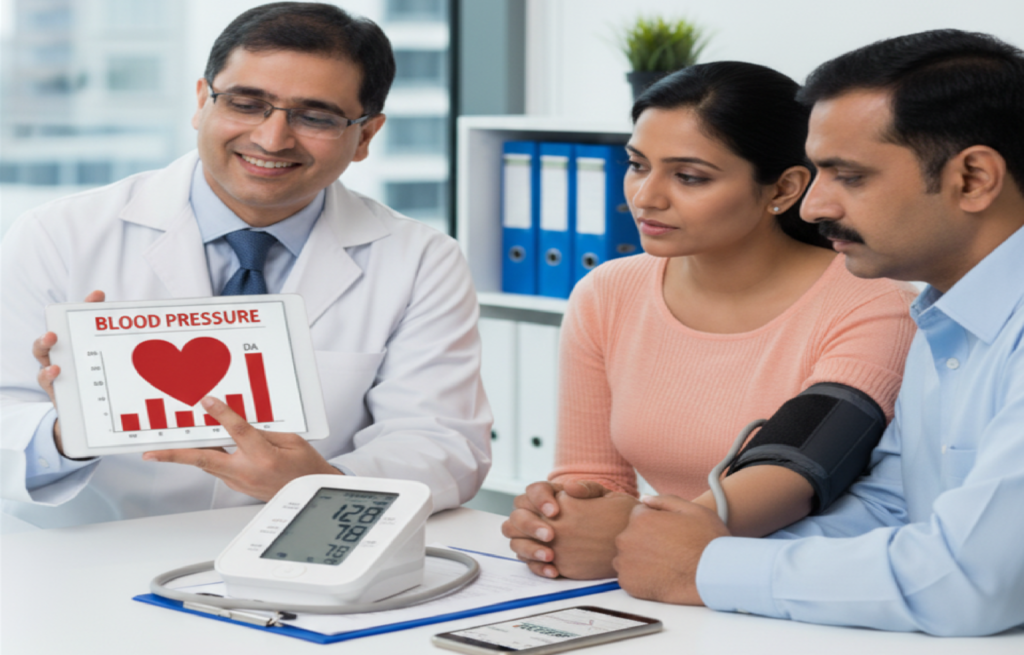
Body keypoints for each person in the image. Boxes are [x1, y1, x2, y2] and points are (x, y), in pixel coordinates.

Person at [0, 2, 491, 529]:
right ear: (200, 102)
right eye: (246, 103)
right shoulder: (59, 235)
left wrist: (320, 486)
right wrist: (71, 428)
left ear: (366, 136)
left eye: (316, 117)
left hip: (303, 554)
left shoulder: (420, 259)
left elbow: (442, 442)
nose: (271, 139)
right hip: (88, 558)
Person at [610, 30, 1024, 637]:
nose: (812, 206)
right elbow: (892, 506)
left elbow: (968, 582)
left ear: (972, 179)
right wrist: (702, 548)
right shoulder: (943, 316)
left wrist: (708, 566)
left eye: (847, 176)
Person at [501, 61, 917, 580]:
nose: (645, 196)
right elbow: (594, 478)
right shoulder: (606, 291)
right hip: (663, 576)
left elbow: (791, 473)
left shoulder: (875, 304)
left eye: (689, 176)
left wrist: (629, 535)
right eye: (637, 165)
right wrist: (558, 518)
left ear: (785, 189)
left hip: (805, 582)